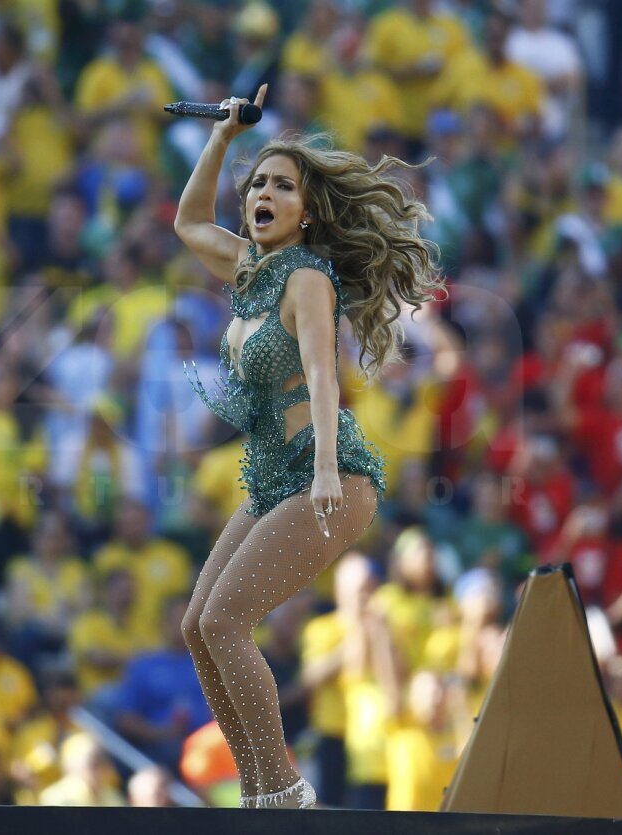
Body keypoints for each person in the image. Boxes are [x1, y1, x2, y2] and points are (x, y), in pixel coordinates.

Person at [174, 86, 442, 809]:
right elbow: (188, 218)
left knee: (226, 620)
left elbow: (326, 375)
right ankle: (260, 788)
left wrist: (324, 465)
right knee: (198, 625)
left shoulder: (307, 277)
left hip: (327, 474)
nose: (264, 192)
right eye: (258, 182)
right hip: (269, 478)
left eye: (282, 185)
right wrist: (223, 137)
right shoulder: (247, 268)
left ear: (308, 209)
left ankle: (283, 788)